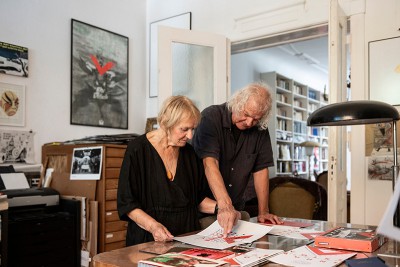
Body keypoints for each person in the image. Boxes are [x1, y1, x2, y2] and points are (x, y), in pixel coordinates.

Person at [117, 95, 220, 246]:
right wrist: (153, 226)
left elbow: (197, 200)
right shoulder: (137, 150)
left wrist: (222, 208)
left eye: (193, 129)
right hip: (149, 239)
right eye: (184, 129)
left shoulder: (190, 154)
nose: (190, 136)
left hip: (187, 236)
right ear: (166, 123)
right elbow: (127, 204)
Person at [193, 82, 282, 236]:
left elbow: (261, 170)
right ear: (237, 102)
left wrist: (263, 211)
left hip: (235, 210)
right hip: (203, 208)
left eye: (255, 119)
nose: (249, 123)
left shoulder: (259, 128)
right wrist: (225, 206)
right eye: (246, 115)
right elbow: (210, 163)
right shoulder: (211, 117)